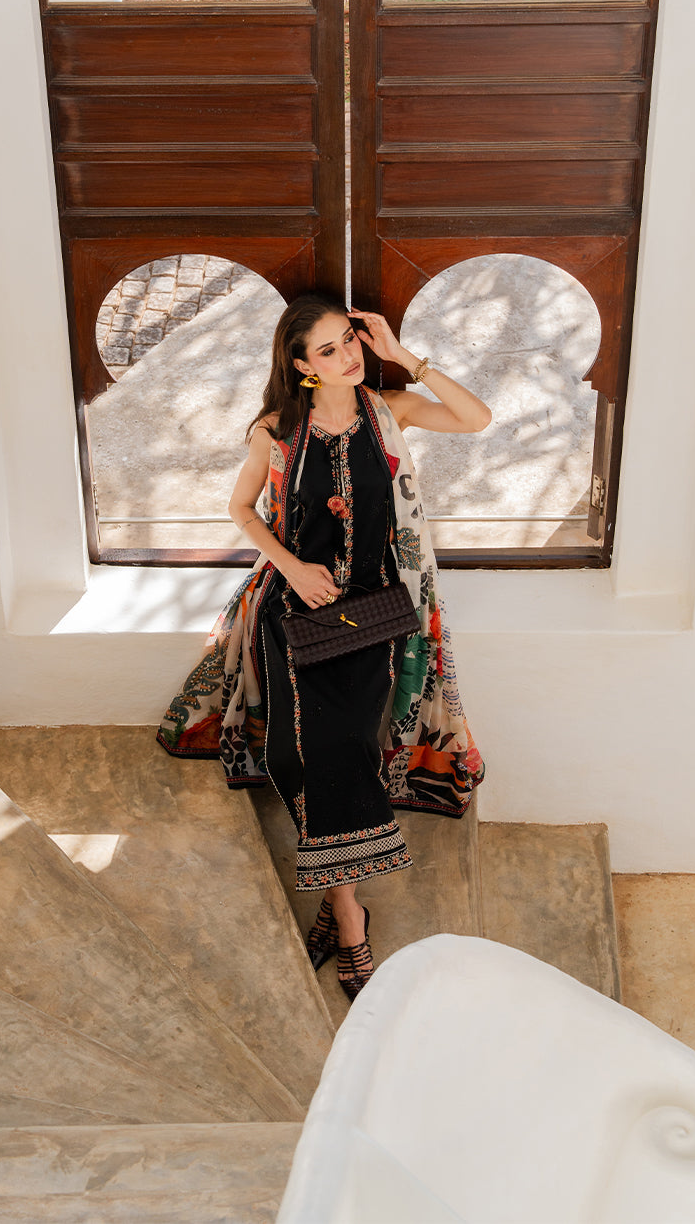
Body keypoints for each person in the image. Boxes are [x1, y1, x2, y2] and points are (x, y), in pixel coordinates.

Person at [158, 294, 489, 999]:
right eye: (330, 349)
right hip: (296, 609)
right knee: (294, 752)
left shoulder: (390, 410)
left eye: (351, 341)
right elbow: (241, 509)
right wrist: (293, 568)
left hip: (374, 611)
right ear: (302, 365)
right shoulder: (277, 431)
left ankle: (342, 913)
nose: (349, 356)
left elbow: (475, 419)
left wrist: (404, 356)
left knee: (346, 748)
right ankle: (349, 912)